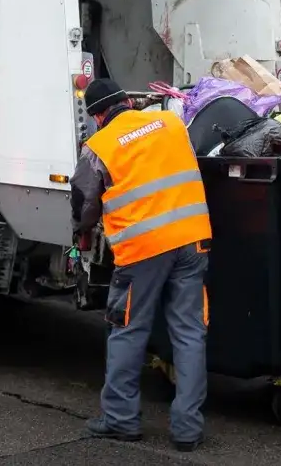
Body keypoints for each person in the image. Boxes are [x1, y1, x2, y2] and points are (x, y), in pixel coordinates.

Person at [71, 77, 211, 451]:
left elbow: (83, 202)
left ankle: (120, 419)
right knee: (190, 333)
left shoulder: (99, 145)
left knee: (129, 329)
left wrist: (81, 229)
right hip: (193, 240)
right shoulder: (171, 123)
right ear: (128, 104)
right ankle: (187, 430)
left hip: (144, 249)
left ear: (99, 115)